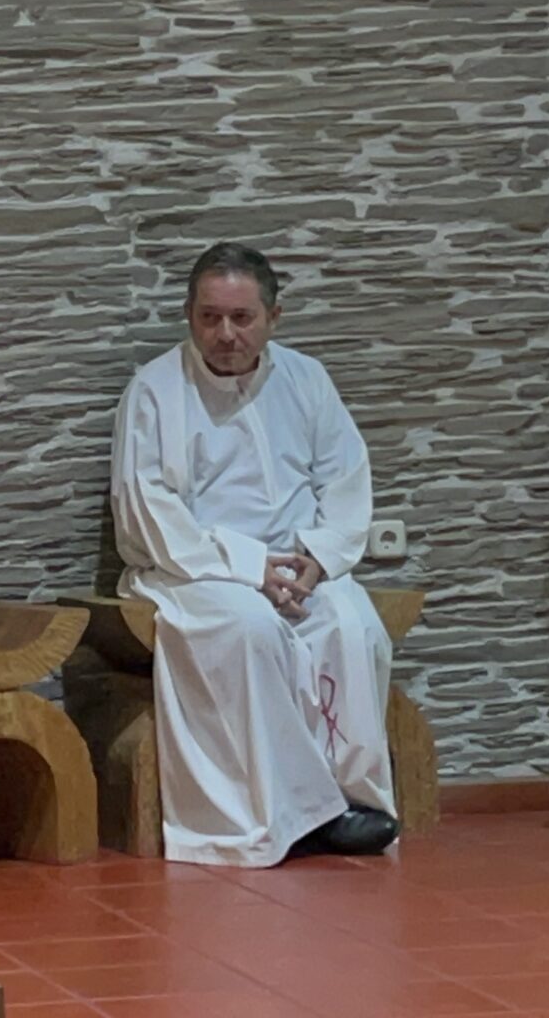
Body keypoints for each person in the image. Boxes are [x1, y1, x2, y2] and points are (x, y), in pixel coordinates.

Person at [110, 242, 399, 867]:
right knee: (249, 629)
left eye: (242, 318)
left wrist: (319, 558)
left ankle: (354, 800)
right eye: (209, 317)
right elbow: (146, 508)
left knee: (352, 625)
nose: (225, 334)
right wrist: (247, 568)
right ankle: (287, 815)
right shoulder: (154, 390)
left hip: (300, 566)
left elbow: (345, 478)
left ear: (274, 317)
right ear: (189, 314)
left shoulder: (307, 380)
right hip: (193, 570)